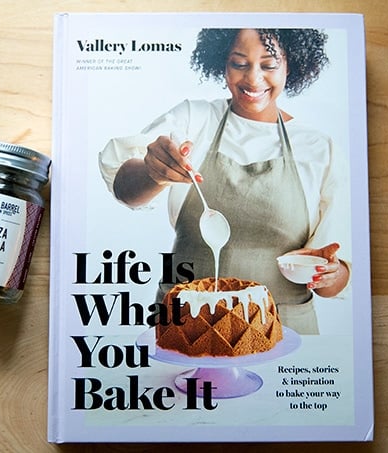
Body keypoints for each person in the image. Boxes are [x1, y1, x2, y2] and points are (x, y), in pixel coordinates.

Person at [99, 28, 351, 334]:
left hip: (285, 334)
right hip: (185, 327)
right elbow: (125, 191)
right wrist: (154, 172)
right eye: (239, 63)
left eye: (269, 65)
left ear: (291, 65)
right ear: (221, 62)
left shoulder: (318, 148)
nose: (253, 79)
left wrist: (329, 274)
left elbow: (332, 281)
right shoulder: (195, 119)